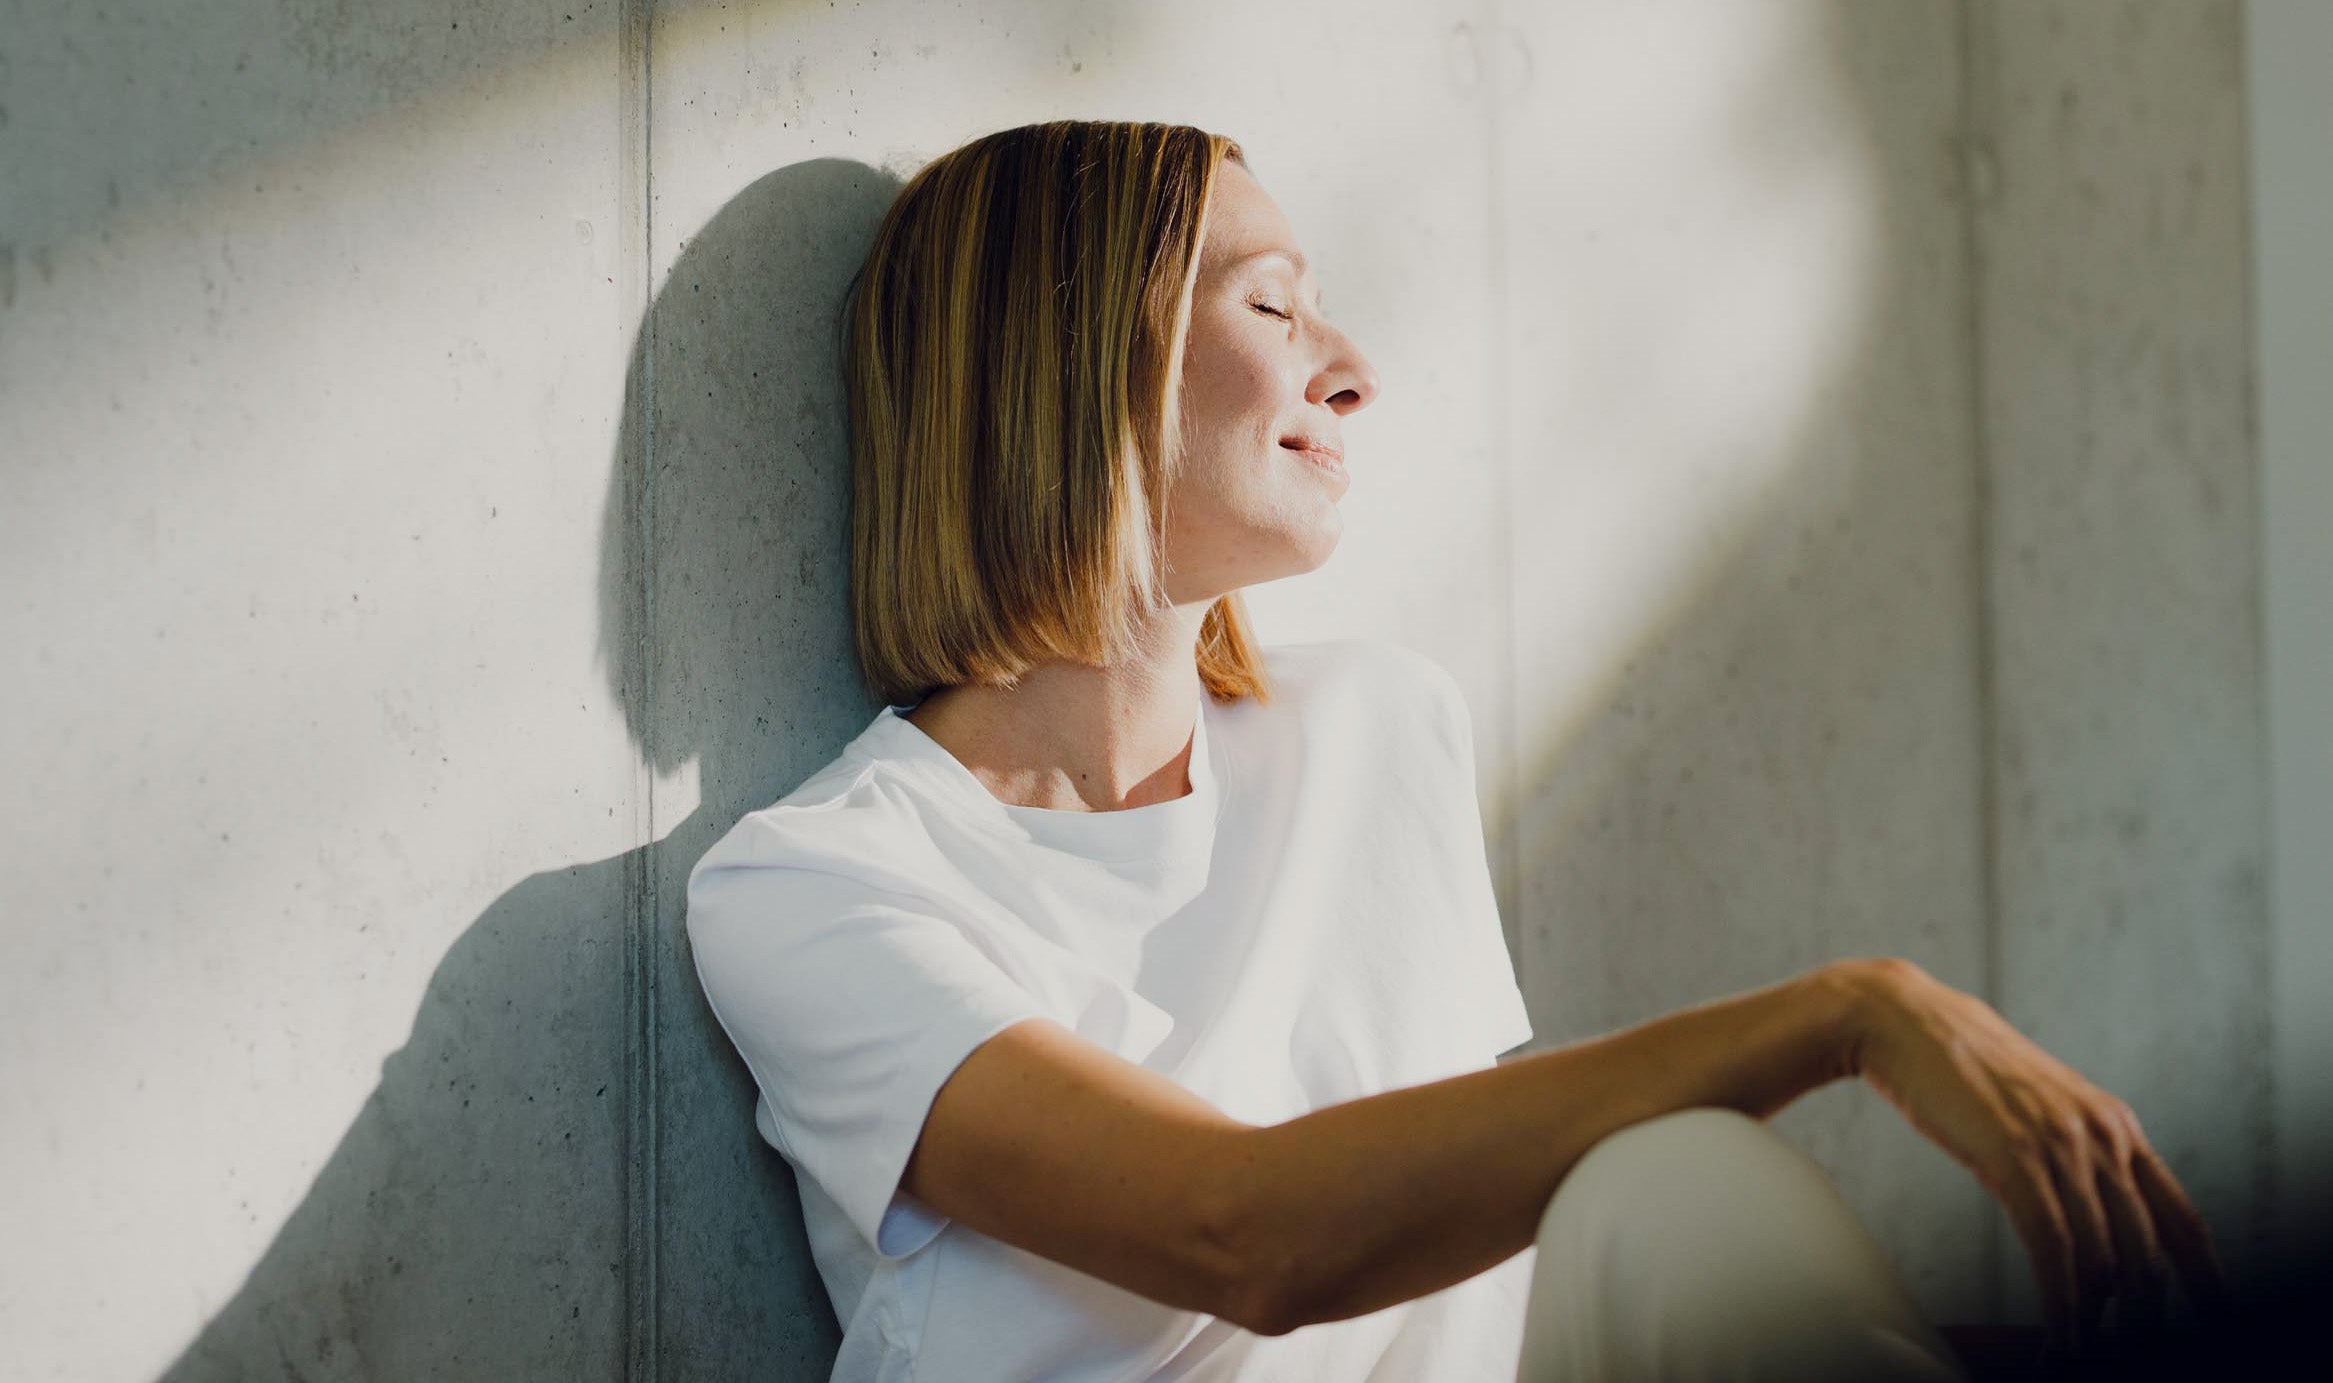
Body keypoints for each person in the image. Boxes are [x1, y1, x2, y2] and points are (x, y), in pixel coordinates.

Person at [683, 119, 2232, 1381]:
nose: (1348, 367)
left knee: (1669, 1190)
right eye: (1272, 304)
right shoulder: (814, 890)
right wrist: (1850, 1015)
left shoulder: (1372, 727)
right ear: (1072, 359)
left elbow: (1496, 1224)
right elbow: (1248, 1234)